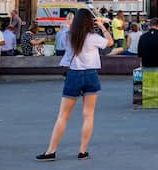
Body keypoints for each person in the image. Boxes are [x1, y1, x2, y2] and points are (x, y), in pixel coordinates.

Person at [36, 9, 112, 161]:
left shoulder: (68, 36)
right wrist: (102, 26)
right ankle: (82, 150)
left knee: (63, 116)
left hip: (74, 74)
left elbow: (62, 38)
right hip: (91, 74)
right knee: (88, 115)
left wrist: (69, 24)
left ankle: (51, 151)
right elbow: (110, 42)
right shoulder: (93, 37)